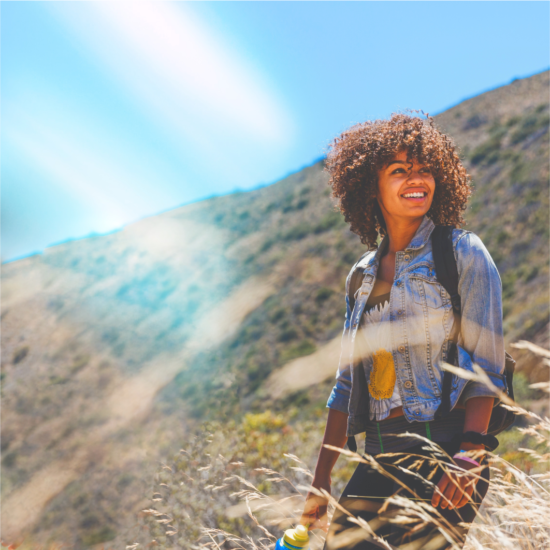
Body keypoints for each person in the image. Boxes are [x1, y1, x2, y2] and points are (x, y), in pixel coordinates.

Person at [301, 114, 506, 549]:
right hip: (378, 455)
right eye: (399, 171)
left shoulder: (462, 252)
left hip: (446, 449)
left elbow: (485, 365)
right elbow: (346, 383)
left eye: (424, 169)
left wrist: (470, 455)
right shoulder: (361, 276)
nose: (416, 180)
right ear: (369, 187)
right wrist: (321, 478)